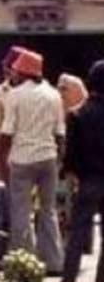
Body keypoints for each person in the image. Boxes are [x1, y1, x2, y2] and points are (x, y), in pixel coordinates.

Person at [0, 49, 65, 274]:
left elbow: (7, 133)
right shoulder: (54, 94)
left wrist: (0, 163)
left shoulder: (14, 95)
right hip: (48, 159)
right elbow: (60, 133)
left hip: (22, 160)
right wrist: (60, 162)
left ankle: (22, 263)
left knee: (21, 211)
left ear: (24, 73)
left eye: (16, 71)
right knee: (49, 211)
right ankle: (55, 263)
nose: (13, 75)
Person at [61, 60, 104, 282]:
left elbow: (70, 155)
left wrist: (73, 175)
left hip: (87, 181)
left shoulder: (77, 114)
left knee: (77, 234)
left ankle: (68, 278)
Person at [0, 46, 27, 181]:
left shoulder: (36, 92)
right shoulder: (0, 91)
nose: (7, 70)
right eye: (6, 66)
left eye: (11, 67)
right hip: (7, 147)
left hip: (29, 147)